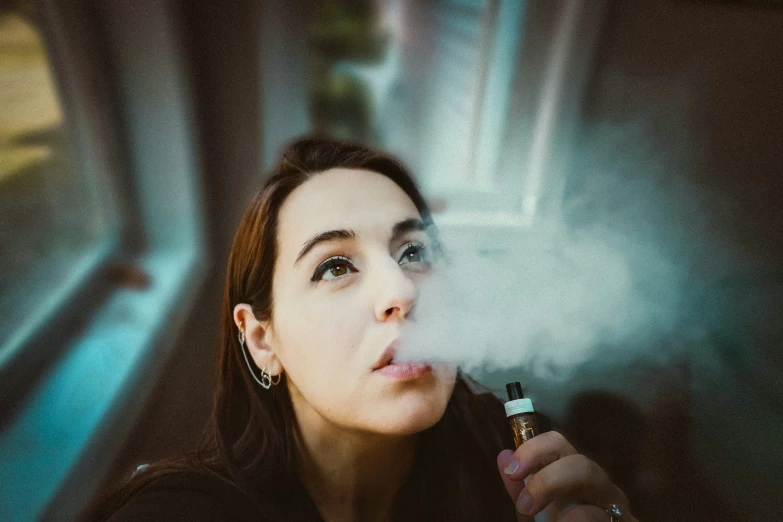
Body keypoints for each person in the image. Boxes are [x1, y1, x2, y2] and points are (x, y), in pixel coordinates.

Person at [91, 137, 636, 521]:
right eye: (335, 266)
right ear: (262, 340)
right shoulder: (185, 513)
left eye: (414, 252)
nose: (401, 292)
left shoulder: (513, 456)